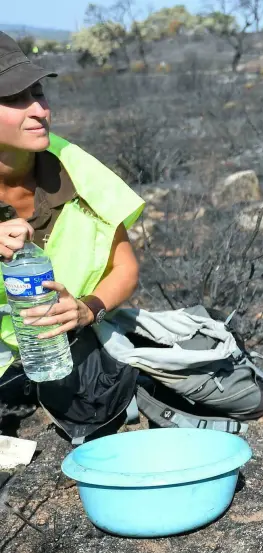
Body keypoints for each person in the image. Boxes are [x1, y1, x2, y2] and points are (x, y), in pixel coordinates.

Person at [0, 32, 143, 414]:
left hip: (57, 350)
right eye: (15, 99)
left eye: (38, 93)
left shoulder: (75, 165)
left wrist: (87, 309)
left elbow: (125, 267)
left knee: (107, 401)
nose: (39, 110)